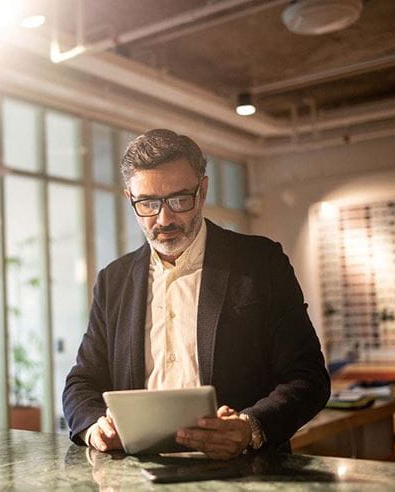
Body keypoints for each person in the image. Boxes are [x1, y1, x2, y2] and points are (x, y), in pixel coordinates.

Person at [63, 129, 330, 459]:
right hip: (141, 476)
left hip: (243, 472)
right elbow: (81, 382)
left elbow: (308, 377)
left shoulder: (260, 263)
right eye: (147, 203)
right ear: (129, 198)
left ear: (202, 191)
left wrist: (250, 427)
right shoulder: (113, 281)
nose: (164, 219)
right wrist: (94, 427)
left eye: (179, 200)